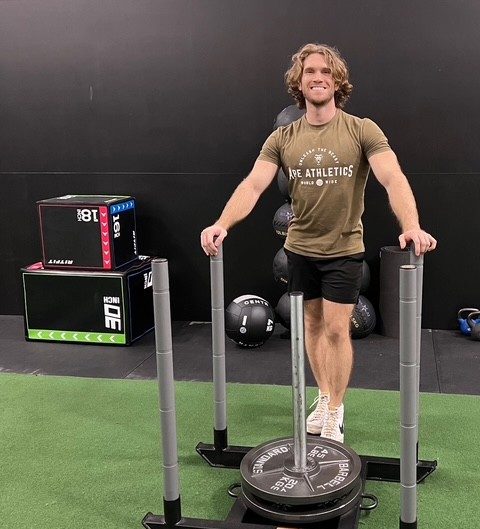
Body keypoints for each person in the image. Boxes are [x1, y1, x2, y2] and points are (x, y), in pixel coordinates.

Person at [200, 43, 437, 443]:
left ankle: (336, 410)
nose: (318, 77)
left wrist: (411, 225)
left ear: (337, 81)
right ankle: (324, 397)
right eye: (310, 71)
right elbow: (254, 184)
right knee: (310, 325)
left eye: (326, 71)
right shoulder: (283, 137)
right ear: (299, 82)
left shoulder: (362, 129)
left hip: (343, 250)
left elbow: (392, 177)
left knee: (337, 329)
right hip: (300, 250)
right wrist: (222, 223)